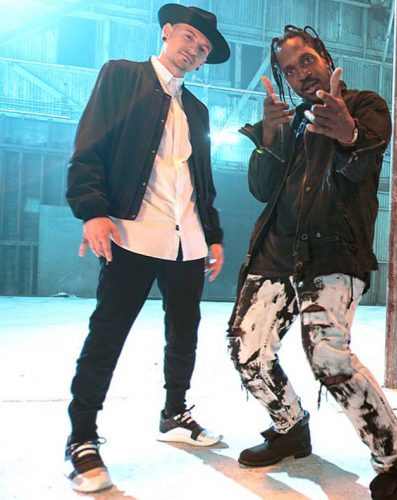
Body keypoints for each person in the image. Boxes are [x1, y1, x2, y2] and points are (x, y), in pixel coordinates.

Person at [228, 25, 397, 499]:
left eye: (307, 61)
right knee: (246, 351)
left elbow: (362, 162)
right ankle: (290, 428)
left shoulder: (363, 104)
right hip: (275, 254)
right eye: (290, 70)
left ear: (325, 57)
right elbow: (260, 188)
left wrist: (348, 134)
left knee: (327, 353)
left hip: (331, 250)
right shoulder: (288, 121)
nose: (300, 74)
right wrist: (268, 136)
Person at [64, 4, 229, 493]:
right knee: (108, 332)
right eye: (188, 38)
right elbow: (89, 145)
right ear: (167, 32)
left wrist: (213, 235)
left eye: (203, 48)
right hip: (132, 232)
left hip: (187, 238)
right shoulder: (121, 76)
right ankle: (81, 437)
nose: (194, 50)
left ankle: (175, 413)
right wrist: (92, 210)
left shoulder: (196, 109)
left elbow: (202, 180)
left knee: (185, 332)